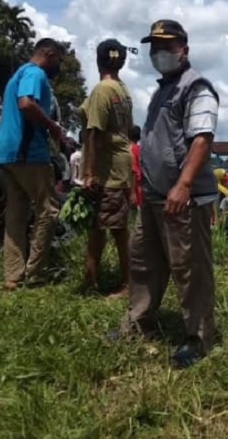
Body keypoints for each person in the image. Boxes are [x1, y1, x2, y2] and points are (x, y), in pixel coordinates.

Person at [117, 19, 219, 369]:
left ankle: (198, 336)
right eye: (154, 47)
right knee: (144, 261)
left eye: (167, 47)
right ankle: (137, 322)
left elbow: (202, 139)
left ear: (184, 50)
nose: (159, 54)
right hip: (154, 196)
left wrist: (183, 184)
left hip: (182, 198)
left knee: (189, 269)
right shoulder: (163, 89)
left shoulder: (196, 87)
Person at [0, 38, 64, 290]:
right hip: (29, 152)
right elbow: (26, 103)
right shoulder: (35, 73)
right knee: (49, 209)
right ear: (50, 53)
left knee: (16, 212)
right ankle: (35, 273)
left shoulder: (18, 74)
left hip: (5, 153)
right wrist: (52, 125)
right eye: (59, 60)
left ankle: (13, 275)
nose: (59, 67)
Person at [79, 38, 135, 295]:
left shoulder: (102, 90)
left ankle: (126, 283)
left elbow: (94, 132)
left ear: (98, 60)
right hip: (120, 165)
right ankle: (92, 279)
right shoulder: (122, 90)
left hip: (107, 168)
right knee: (102, 227)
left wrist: (88, 173)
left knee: (115, 229)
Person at [130, 124, 142, 220]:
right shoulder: (139, 149)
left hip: (133, 187)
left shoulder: (130, 149)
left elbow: (133, 170)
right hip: (139, 186)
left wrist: (132, 192)